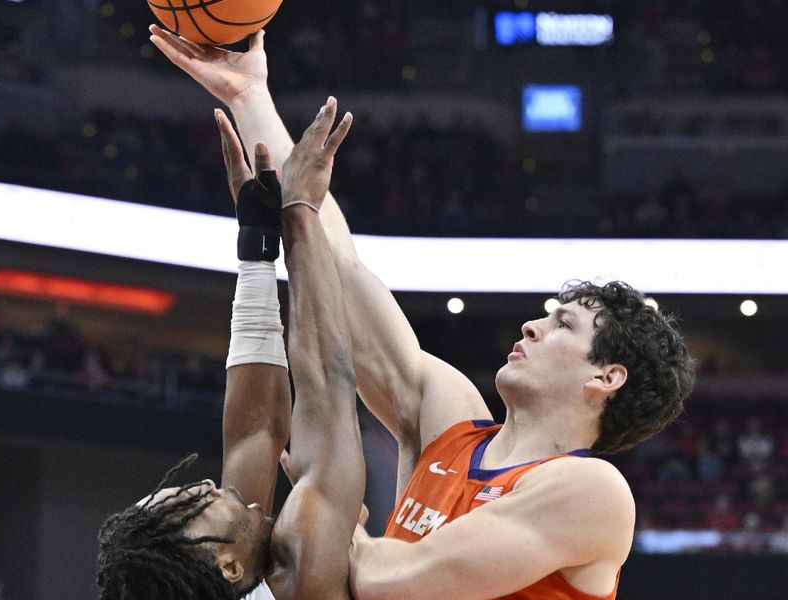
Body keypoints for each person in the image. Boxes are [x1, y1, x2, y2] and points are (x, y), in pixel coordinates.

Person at [149, 25, 695, 599]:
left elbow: (399, 579)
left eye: (564, 324)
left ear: (606, 376)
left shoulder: (592, 491)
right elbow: (340, 267)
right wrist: (249, 98)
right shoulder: (449, 419)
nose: (532, 325)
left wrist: (326, 518)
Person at [97, 97, 365, 600]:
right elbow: (330, 387)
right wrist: (301, 210)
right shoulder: (302, 581)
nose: (202, 487)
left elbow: (256, 430)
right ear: (226, 566)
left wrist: (258, 248)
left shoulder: (227, 573)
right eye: (193, 507)